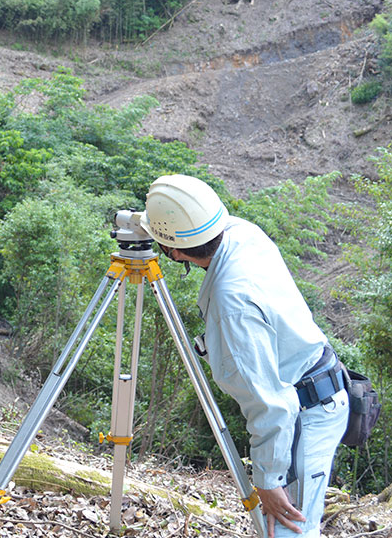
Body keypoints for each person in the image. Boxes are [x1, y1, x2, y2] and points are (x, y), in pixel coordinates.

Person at [140, 174, 348, 538]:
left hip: (302, 412)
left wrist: (267, 480)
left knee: (287, 533)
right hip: (318, 385)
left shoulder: (230, 303)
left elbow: (273, 405)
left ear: (174, 252)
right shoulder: (242, 232)